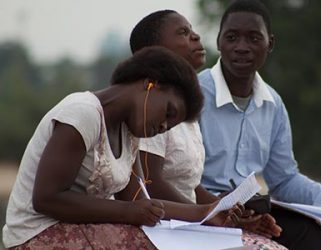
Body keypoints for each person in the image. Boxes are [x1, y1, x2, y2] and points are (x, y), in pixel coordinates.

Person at [1, 46, 226, 249]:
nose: (163, 126)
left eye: (170, 127)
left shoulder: (128, 134)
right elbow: (46, 199)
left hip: (80, 229)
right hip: (36, 235)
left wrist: (204, 214)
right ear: (151, 83)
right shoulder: (83, 113)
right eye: (168, 112)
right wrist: (127, 212)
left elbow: (137, 200)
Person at [197, 0, 321, 249]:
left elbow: (284, 180)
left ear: (271, 44)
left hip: (254, 209)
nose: (242, 47)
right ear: (219, 41)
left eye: (254, 38)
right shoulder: (195, 95)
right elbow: (181, 175)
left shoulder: (272, 104)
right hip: (208, 209)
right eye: (232, 37)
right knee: (308, 237)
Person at [130, 10, 287, 250]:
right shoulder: (152, 105)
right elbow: (150, 183)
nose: (195, 37)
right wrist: (205, 215)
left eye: (193, 30)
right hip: (167, 227)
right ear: (155, 52)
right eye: (184, 33)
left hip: (192, 223)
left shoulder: (186, 108)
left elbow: (190, 184)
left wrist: (230, 214)